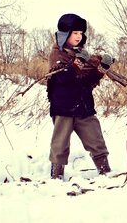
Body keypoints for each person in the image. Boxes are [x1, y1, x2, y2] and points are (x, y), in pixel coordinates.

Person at [46, 13, 113, 180]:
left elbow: (88, 82)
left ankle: (105, 171)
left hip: (84, 106)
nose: (78, 36)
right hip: (63, 107)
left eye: (80, 33)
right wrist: (78, 63)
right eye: (74, 32)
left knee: (96, 140)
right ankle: (56, 176)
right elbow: (63, 79)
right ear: (65, 34)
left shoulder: (83, 54)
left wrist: (102, 68)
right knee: (60, 145)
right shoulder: (57, 54)